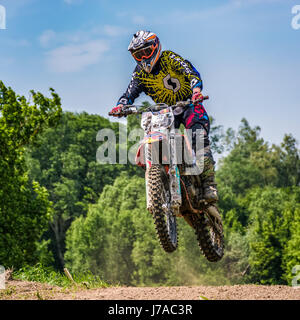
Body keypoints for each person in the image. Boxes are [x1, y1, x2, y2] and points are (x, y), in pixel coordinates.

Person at [110, 30, 218, 202]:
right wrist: (121, 105)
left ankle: (208, 184)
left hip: (189, 104)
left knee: (199, 138)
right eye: (138, 55)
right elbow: (130, 92)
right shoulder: (139, 73)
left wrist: (196, 90)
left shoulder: (169, 58)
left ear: (155, 47)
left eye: (146, 52)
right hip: (167, 112)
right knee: (155, 139)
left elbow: (190, 72)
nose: (143, 58)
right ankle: (164, 177)